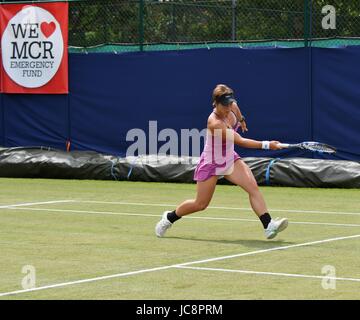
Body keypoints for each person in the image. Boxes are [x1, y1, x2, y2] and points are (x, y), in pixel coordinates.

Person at [155, 84, 288, 240]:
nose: (228, 108)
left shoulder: (232, 106)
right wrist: (267, 145)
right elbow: (241, 141)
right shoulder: (214, 123)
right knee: (200, 204)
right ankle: (169, 218)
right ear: (215, 103)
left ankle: (268, 225)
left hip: (229, 159)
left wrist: (241, 119)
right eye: (224, 105)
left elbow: (236, 108)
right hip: (211, 162)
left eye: (229, 104)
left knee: (252, 187)